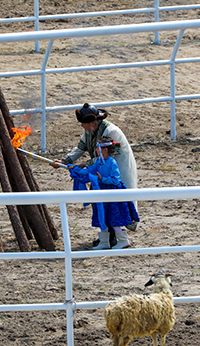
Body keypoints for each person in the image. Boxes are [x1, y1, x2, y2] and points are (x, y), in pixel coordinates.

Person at [50, 103, 139, 246]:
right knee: (100, 202)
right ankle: (107, 236)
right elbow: (80, 147)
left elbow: (111, 154)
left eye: (84, 123)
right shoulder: (89, 131)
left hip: (116, 169)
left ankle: (115, 237)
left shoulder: (111, 132)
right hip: (100, 171)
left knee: (114, 203)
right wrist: (65, 160)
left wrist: (84, 164)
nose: (82, 126)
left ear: (93, 122)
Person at [68, 138, 139, 249]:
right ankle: (104, 242)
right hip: (101, 192)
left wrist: (102, 178)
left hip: (113, 193)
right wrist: (75, 169)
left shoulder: (112, 163)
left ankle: (123, 241)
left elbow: (115, 180)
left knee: (113, 217)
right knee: (102, 216)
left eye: (97, 148)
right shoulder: (99, 162)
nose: (96, 150)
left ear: (104, 149)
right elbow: (89, 171)